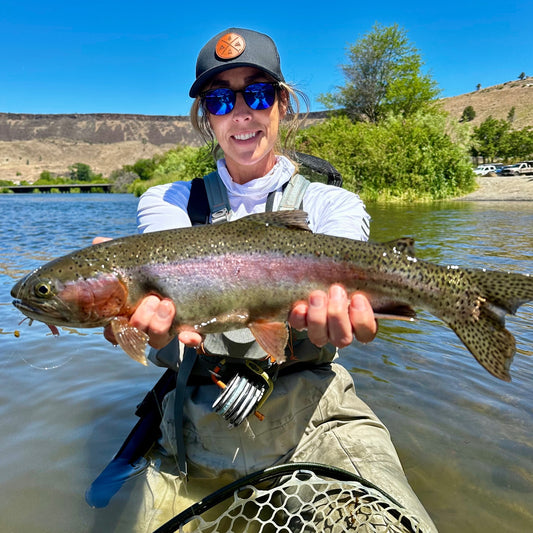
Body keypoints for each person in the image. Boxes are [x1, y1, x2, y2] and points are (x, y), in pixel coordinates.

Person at [96, 27, 437, 532]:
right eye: (219, 99)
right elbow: (158, 266)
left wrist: (353, 304)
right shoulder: (166, 202)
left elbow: (355, 270)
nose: (241, 112)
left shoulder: (330, 205)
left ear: (281, 104)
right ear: (206, 117)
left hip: (316, 419)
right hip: (196, 419)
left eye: (256, 93)